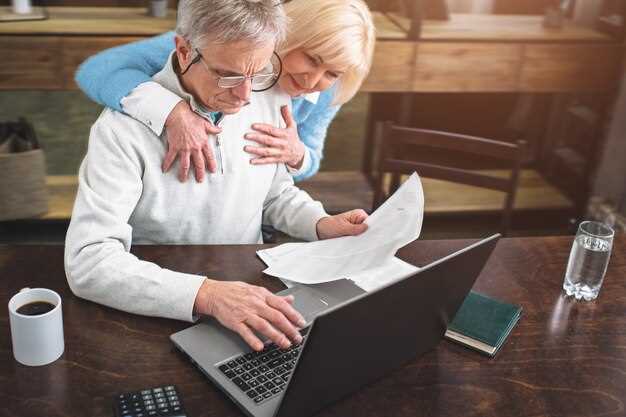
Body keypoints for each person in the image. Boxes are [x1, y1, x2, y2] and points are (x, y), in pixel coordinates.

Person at [65, 0, 369, 353]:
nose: (244, 96)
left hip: (251, 291)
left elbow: (273, 194)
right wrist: (207, 295)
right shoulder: (120, 133)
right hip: (158, 304)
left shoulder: (263, 95)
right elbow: (89, 262)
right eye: (229, 74)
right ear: (183, 50)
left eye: (257, 74)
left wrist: (320, 222)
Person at [75, 0, 375, 183]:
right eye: (313, 59)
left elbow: (309, 162)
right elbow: (97, 70)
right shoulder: (225, 40)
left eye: (332, 73)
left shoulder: (326, 93)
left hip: (255, 204)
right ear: (292, 34)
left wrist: (297, 155)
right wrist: (173, 111)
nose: (314, 81)